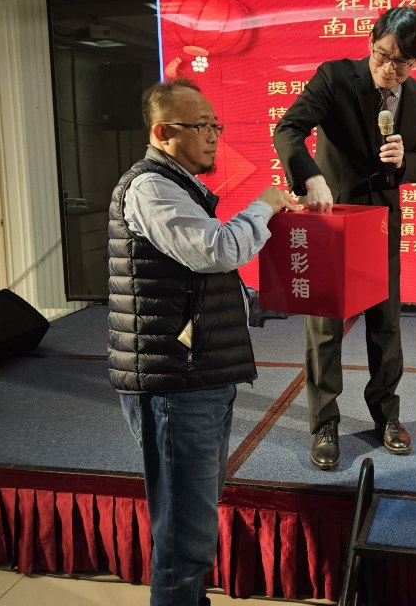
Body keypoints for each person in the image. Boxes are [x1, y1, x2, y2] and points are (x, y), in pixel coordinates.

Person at [107, 77, 298, 606]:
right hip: (177, 381)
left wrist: (289, 297)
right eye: (200, 126)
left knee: (195, 517)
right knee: (184, 535)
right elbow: (216, 251)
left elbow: (200, 286)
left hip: (198, 372)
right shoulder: (150, 188)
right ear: (163, 133)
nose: (214, 135)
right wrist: (265, 205)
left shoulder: (181, 186)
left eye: (216, 124)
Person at [273, 5, 416, 470]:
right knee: (325, 328)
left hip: (381, 225)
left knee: (386, 326)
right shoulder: (336, 77)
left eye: (402, 62)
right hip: (333, 219)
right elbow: (289, 129)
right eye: (382, 55)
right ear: (370, 43)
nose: (389, 68)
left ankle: (386, 415)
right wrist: (310, 178)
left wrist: (405, 162)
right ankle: (324, 422)